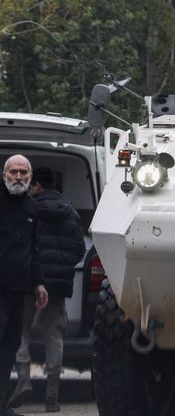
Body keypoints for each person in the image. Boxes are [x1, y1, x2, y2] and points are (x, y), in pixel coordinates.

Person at [8, 168, 85, 412]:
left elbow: (21, 244)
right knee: (55, 335)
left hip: (29, 281)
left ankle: (23, 380)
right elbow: (80, 250)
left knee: (21, 330)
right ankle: (52, 395)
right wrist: (62, 269)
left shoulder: (29, 210)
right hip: (58, 286)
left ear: (37, 186)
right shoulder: (71, 212)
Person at [0, 155, 48, 416]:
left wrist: (39, 282)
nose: (18, 176)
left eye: (23, 172)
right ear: (3, 174)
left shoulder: (31, 207)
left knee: (8, 349)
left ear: (30, 177)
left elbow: (34, 249)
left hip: (19, 290)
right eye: (13, 172)